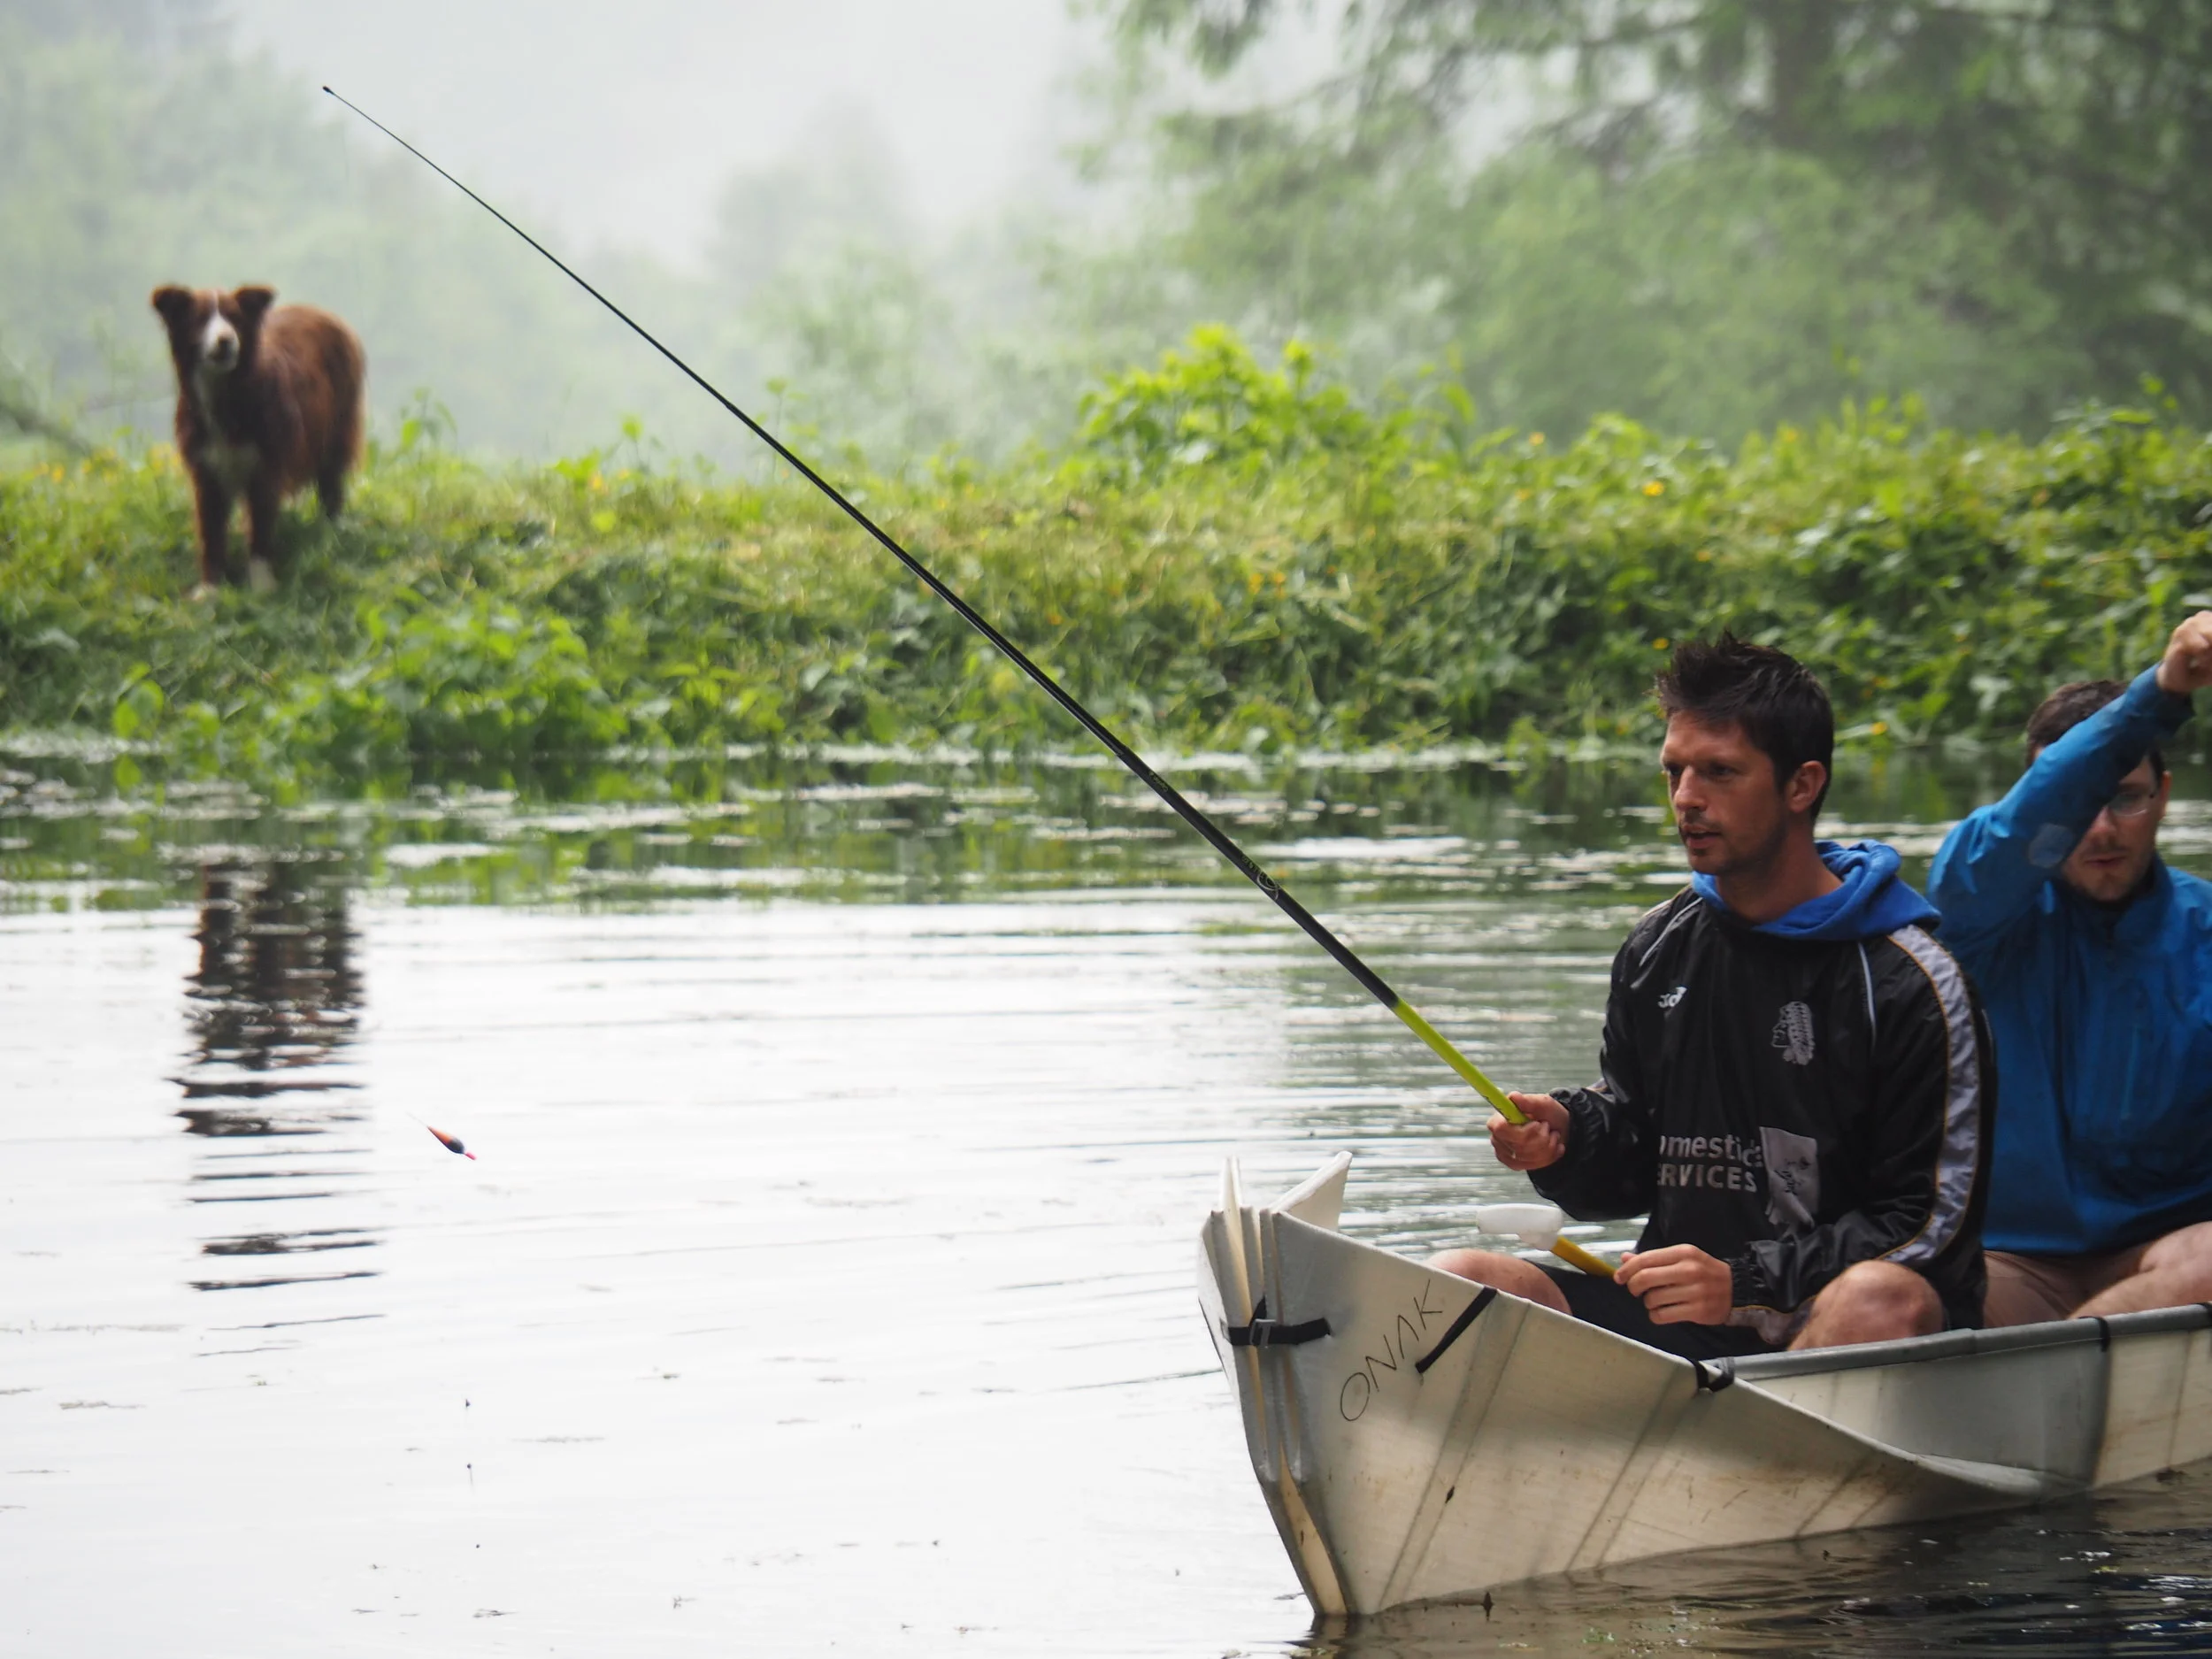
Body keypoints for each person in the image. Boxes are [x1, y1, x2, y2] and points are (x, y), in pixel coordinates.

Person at [1432, 636, 1993, 1357]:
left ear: (1802, 785)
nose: (1686, 798)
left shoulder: (1913, 982)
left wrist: (1745, 1281)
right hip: (1681, 1325)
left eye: (1720, 772)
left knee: (1880, 1297)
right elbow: (1631, 1167)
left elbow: (1930, 1225)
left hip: (1835, 1325)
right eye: (1675, 770)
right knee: (1456, 1281)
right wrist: (1569, 1139)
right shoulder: (1656, 946)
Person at [1928, 611, 2212, 1325]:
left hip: (2169, 1261)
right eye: (2081, 801)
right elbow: (2004, 842)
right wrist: (2160, 692)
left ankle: (2064, 1360)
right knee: (1883, 1294)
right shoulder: (1980, 909)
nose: (2102, 828)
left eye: (2127, 797)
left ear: (2164, 795)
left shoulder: (2205, 929)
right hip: (2010, 1263)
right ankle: (2077, 1359)